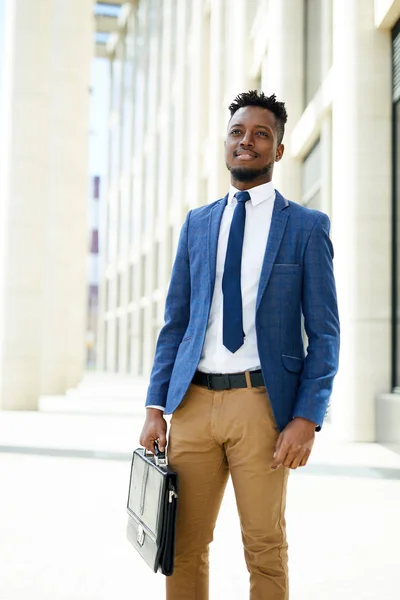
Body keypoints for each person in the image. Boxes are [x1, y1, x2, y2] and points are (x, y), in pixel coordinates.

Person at [140, 90, 340, 600]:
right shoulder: (198, 223)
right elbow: (175, 323)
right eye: (237, 132)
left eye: (260, 134)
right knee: (181, 548)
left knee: (265, 548)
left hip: (262, 408)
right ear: (225, 143)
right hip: (192, 406)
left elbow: (325, 333)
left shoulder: (306, 227)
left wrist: (306, 418)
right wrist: (154, 407)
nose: (245, 142)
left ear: (277, 149)